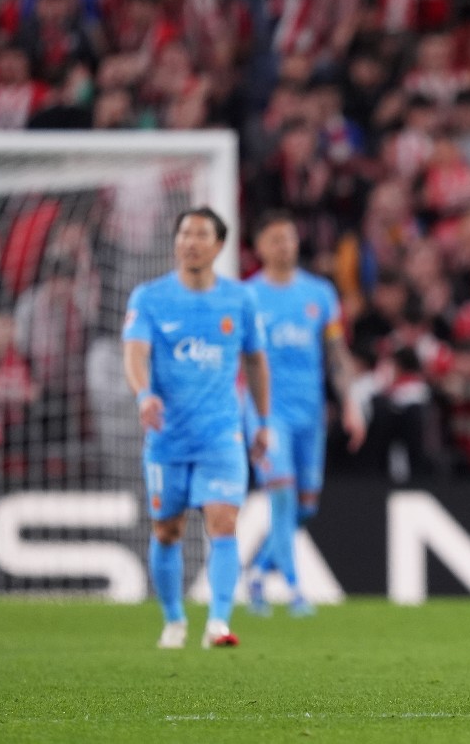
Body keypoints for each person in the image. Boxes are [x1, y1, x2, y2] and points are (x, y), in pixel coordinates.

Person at [122, 207, 271, 649]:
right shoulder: (149, 297)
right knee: (167, 529)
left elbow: (256, 362)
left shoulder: (240, 299)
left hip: (222, 433)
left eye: (201, 233)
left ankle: (218, 624)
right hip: (167, 436)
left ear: (219, 245)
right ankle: (173, 620)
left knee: (223, 522)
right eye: (184, 232)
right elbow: (135, 353)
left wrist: (261, 421)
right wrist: (143, 394)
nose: (190, 240)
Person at [244, 211, 366, 618]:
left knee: (305, 505)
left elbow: (336, 356)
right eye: (276, 239)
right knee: (281, 493)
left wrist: (350, 403)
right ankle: (295, 589)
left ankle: (258, 572)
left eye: (290, 238)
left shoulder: (320, 294)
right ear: (259, 247)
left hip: (309, 414)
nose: (285, 246)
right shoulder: (248, 297)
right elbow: (236, 361)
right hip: (265, 412)